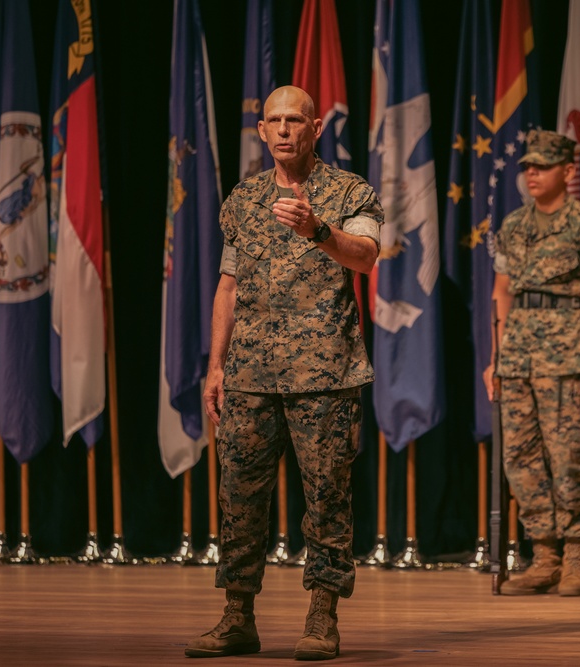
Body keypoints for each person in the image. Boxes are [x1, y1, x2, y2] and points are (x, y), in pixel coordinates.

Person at [185, 86, 383, 660]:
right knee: (239, 499)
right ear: (261, 129)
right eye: (273, 120)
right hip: (249, 374)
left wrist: (317, 230)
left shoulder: (349, 190)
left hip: (324, 373)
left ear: (316, 127)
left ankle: (322, 617)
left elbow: (366, 258)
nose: (283, 130)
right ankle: (237, 616)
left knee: (326, 498)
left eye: (294, 119)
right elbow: (228, 284)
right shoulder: (244, 198)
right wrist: (215, 366)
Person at [482, 130, 580, 596]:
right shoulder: (513, 226)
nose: (532, 173)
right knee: (521, 459)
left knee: (569, 458)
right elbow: (501, 294)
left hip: (567, 357)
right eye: (527, 167)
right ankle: (545, 555)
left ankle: (578, 556)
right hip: (517, 356)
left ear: (568, 171)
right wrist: (494, 359)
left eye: (542, 165)